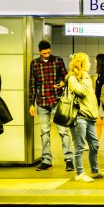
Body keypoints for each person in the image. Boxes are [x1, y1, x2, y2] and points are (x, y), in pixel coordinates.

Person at [28, 40, 74, 172]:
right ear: (39, 52)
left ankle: (69, 160)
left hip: (57, 100)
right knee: (45, 132)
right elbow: (32, 84)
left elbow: (65, 77)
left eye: (48, 52)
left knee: (63, 131)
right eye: (44, 53)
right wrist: (32, 104)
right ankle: (46, 160)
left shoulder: (58, 61)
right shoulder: (35, 64)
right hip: (41, 102)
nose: (47, 55)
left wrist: (61, 83)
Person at [66, 53, 104, 183]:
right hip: (79, 117)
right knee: (79, 146)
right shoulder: (72, 78)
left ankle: (95, 170)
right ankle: (79, 173)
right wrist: (85, 77)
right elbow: (81, 92)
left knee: (94, 145)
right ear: (80, 64)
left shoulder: (86, 78)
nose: (90, 64)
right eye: (87, 62)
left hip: (90, 117)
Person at [93, 53, 104, 140]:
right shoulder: (100, 74)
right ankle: (95, 142)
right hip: (100, 102)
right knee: (99, 123)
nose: (95, 61)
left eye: (96, 60)